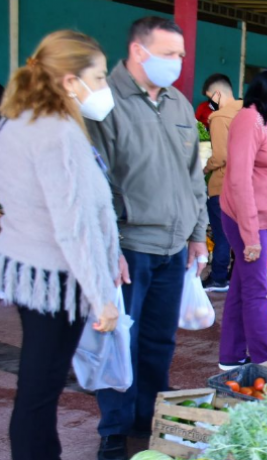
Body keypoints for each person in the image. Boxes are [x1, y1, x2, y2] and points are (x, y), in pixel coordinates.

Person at [85, 17, 209, 460]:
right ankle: (113, 427)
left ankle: (149, 414)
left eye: (181, 55)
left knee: (159, 339)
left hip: (174, 246)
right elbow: (97, 184)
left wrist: (198, 235)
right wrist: (110, 247)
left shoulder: (178, 103)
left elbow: (192, 173)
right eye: (170, 54)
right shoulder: (105, 103)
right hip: (130, 246)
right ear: (140, 51)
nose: (178, 63)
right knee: (119, 340)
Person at [0, 30, 121, 460]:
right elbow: (72, 226)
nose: (105, 87)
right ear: (71, 81)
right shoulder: (56, 132)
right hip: (55, 278)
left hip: (31, 272)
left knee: (38, 387)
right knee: (40, 389)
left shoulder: (20, 120)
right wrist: (100, 295)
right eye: (101, 77)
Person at [219, 70, 267, 368]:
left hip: (263, 221)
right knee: (255, 291)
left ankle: (231, 357)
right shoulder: (249, 119)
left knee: (241, 287)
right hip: (247, 220)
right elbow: (239, 179)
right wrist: (251, 234)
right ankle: (264, 359)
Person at [201, 73, 243, 292]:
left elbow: (220, 156)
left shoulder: (219, 118)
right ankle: (237, 276)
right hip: (245, 186)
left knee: (221, 234)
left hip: (222, 185)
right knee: (240, 236)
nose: (211, 103)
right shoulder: (249, 113)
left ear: (217, 94)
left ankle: (218, 277)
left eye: (210, 97)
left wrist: (203, 168)